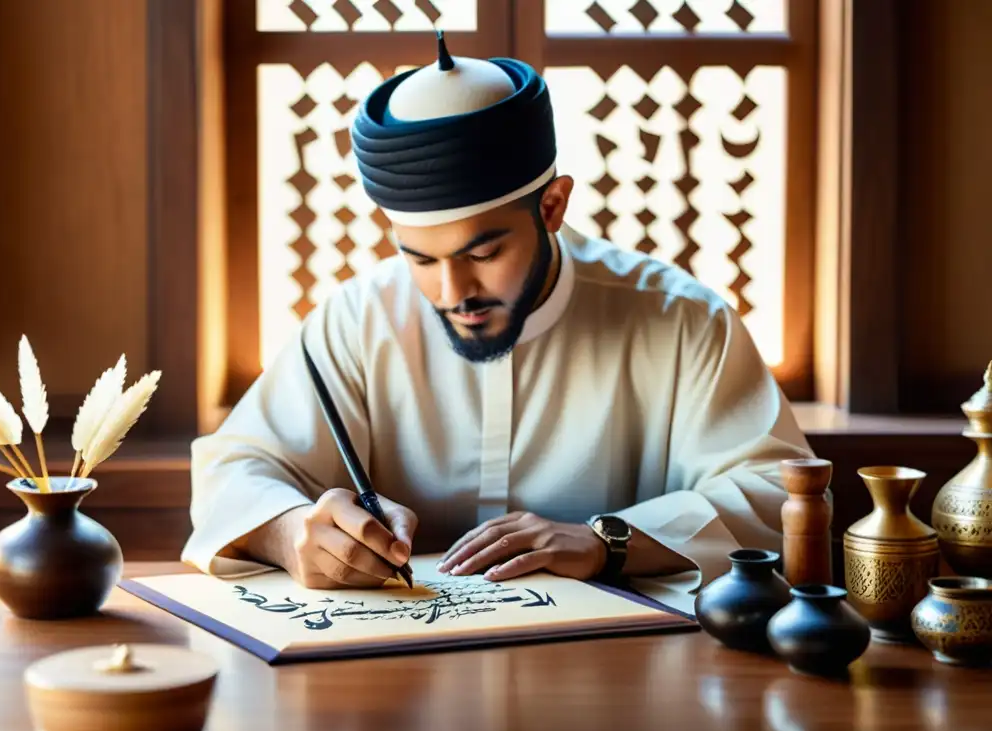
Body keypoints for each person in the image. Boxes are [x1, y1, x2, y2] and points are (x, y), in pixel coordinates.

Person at [180, 33, 817, 593]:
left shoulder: (681, 320)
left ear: (553, 206)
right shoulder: (357, 320)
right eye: (420, 259)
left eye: (483, 251)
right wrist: (294, 533)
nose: (453, 290)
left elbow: (774, 497)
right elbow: (235, 473)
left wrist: (607, 542)